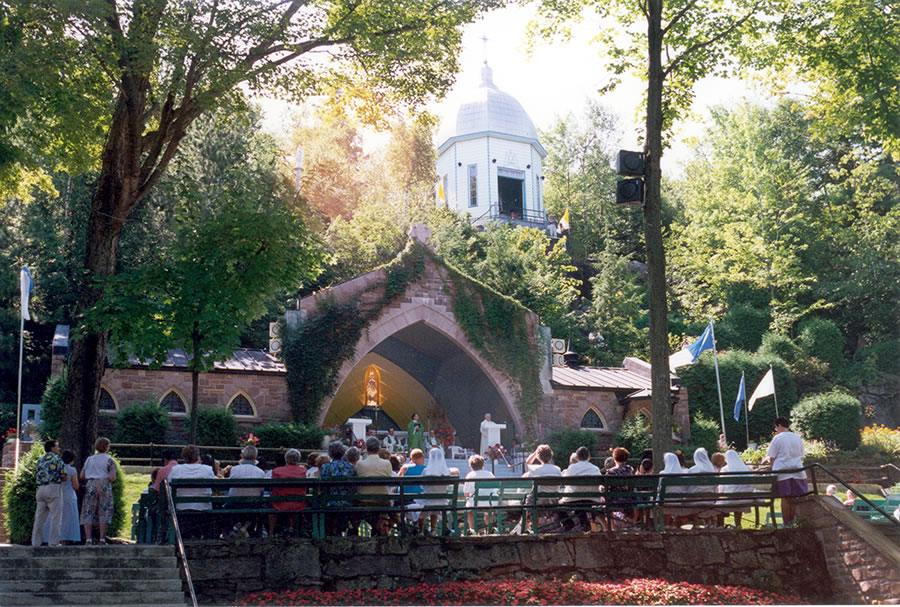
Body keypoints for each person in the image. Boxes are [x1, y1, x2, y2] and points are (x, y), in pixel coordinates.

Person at [168, 445, 216, 539]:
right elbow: (212, 487)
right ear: (198, 456)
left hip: (181, 508)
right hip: (202, 507)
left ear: (184, 457)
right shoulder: (207, 470)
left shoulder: (176, 470)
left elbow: (169, 489)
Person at [766, 416, 807, 526]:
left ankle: (786, 523)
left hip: (783, 472)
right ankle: (792, 522)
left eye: (776, 428)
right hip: (798, 471)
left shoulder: (778, 438)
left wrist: (772, 467)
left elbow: (771, 457)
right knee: (793, 498)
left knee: (785, 498)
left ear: (779, 425)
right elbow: (801, 456)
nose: (776, 430)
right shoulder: (797, 438)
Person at [80, 437, 117, 545]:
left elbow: (82, 475)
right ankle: (102, 538)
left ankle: (88, 538)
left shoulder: (89, 459)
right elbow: (112, 477)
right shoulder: (109, 460)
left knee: (88, 510)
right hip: (104, 483)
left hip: (91, 483)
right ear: (106, 447)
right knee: (104, 511)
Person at [32, 439, 68, 547]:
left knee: (39, 518)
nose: (59, 448)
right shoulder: (57, 460)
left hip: (41, 488)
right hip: (53, 488)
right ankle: (53, 542)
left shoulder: (40, 461)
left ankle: (36, 542)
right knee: (55, 517)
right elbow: (64, 477)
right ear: (52, 448)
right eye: (57, 446)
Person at [355, 436, 394, 536]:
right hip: (382, 502)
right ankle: (380, 529)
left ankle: (375, 529)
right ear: (379, 449)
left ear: (367, 449)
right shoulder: (386, 463)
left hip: (364, 502)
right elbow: (390, 481)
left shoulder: (360, 464)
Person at [227, 445, 267, 537]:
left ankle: (239, 527)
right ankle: (245, 528)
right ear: (255, 457)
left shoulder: (234, 469)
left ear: (243, 456)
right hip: (252, 504)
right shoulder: (260, 472)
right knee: (257, 504)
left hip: (235, 504)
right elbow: (262, 491)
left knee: (228, 504)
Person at [559, 446, 601, 532]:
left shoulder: (572, 468)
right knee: (581, 506)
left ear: (577, 457)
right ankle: (585, 524)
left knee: (559, 505)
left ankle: (568, 523)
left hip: (573, 500)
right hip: (592, 500)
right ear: (589, 457)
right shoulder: (595, 468)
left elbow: (564, 482)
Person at [268, 448, 307, 537]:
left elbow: (271, 487)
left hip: (279, 503)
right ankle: (291, 527)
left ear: (286, 459)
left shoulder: (277, 471)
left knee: (271, 507)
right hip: (298, 503)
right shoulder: (303, 471)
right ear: (298, 459)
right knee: (293, 504)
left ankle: (271, 532)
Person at [319, 442, 356, 536]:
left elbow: (321, 486)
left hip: (329, 502)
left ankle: (330, 533)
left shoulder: (325, 467)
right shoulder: (350, 467)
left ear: (330, 453)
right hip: (346, 502)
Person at [419, 447, 452, 535]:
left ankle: (421, 531)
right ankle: (433, 530)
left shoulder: (426, 471)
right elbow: (447, 486)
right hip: (441, 501)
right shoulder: (446, 472)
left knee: (419, 503)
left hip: (428, 500)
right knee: (435, 505)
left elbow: (421, 485)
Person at [718, 449, 753, 526]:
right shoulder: (745, 468)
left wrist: (720, 496)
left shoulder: (725, 469)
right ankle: (738, 524)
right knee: (738, 496)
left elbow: (721, 486)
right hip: (745, 499)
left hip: (730, 500)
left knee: (719, 502)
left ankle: (720, 525)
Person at [464, 455, 496, 534]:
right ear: (483, 465)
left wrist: (469, 496)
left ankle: (472, 529)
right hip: (490, 501)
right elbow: (495, 488)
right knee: (488, 512)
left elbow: (466, 493)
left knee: (469, 510)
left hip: (476, 503)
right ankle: (489, 529)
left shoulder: (470, 475)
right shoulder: (490, 474)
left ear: (471, 466)